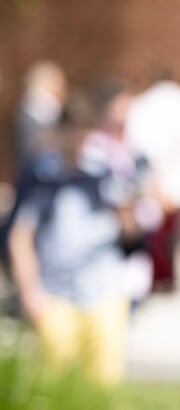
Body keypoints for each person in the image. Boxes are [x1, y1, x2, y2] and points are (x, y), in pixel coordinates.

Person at [6, 81, 145, 385]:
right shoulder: (42, 174)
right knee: (56, 383)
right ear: (61, 131)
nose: (79, 140)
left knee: (104, 383)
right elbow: (21, 236)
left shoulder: (103, 172)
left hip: (102, 288)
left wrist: (136, 212)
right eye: (73, 131)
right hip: (56, 292)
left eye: (85, 131)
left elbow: (129, 226)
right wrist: (30, 290)